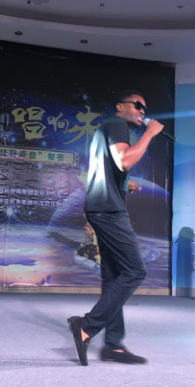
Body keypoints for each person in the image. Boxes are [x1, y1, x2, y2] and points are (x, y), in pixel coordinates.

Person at [68, 90, 164, 366]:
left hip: (101, 206)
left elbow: (110, 167)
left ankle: (113, 345)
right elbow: (124, 160)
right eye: (138, 105)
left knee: (114, 277)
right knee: (135, 270)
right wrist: (150, 134)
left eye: (145, 108)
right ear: (120, 106)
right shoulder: (117, 124)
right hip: (108, 210)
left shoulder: (107, 128)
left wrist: (124, 184)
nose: (143, 111)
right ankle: (86, 326)